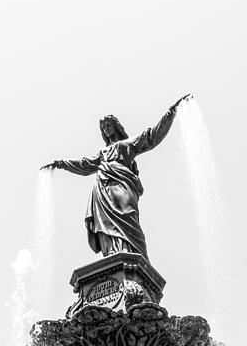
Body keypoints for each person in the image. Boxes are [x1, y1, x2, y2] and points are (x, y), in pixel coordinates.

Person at [42, 95, 191, 260]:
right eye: (103, 127)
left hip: (122, 183)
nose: (106, 129)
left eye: (108, 125)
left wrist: (170, 113)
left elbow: (151, 137)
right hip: (102, 189)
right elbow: (84, 165)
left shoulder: (127, 144)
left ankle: (134, 256)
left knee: (128, 217)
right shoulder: (103, 153)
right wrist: (60, 163)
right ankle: (112, 254)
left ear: (115, 126)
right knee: (106, 225)